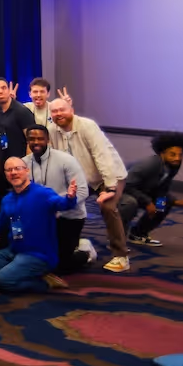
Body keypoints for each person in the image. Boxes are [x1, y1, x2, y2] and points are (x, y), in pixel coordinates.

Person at [47, 97, 131, 273]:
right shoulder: (52, 130)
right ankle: (75, 246)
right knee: (63, 208)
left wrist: (110, 187)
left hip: (108, 175)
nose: (58, 114)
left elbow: (102, 156)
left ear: (72, 109)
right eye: (54, 111)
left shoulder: (87, 126)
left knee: (107, 206)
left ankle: (121, 256)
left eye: (62, 109)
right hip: (81, 178)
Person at [0, 158, 79, 293]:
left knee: (3, 281)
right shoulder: (7, 199)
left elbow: (62, 204)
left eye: (17, 168)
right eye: (9, 170)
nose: (13, 172)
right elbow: (1, 224)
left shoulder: (42, 193)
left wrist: (70, 197)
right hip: (14, 250)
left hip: (38, 255)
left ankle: (45, 282)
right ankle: (22, 272)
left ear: (27, 171)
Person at [22, 125, 91, 274]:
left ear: (48, 140)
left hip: (69, 217)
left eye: (40, 138)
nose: (36, 142)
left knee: (61, 265)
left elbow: (83, 191)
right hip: (41, 218)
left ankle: (85, 251)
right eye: (32, 139)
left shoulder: (66, 160)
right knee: (38, 259)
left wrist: (57, 206)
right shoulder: (24, 163)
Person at [118, 132, 183, 249]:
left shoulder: (173, 165)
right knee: (130, 203)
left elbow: (163, 187)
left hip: (140, 191)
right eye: (172, 154)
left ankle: (137, 234)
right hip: (120, 190)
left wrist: (159, 207)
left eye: (180, 155)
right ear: (162, 153)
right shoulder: (149, 164)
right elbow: (127, 185)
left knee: (163, 203)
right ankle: (116, 241)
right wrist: (148, 203)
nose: (177, 158)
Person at [0, 78, 34, 159]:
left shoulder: (22, 111)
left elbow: (31, 140)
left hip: (20, 160)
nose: (0, 91)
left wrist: (28, 162)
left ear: (9, 90)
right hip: (1, 160)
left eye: (4, 88)